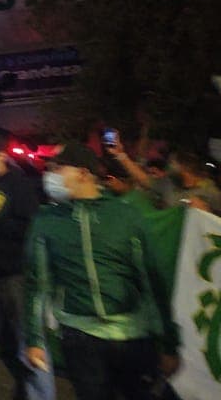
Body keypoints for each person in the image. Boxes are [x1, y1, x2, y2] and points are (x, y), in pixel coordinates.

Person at [24, 145, 179, 400]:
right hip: (80, 339)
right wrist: (34, 340)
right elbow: (37, 284)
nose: (49, 176)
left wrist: (169, 343)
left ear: (84, 173)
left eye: (58, 169)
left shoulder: (125, 216)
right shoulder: (46, 221)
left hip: (133, 337)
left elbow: (151, 280)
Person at [0, 131, 53, 400]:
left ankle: (40, 393)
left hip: (16, 274)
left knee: (28, 341)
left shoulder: (20, 185)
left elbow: (30, 227)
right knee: (4, 344)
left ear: (2, 155)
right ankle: (24, 386)